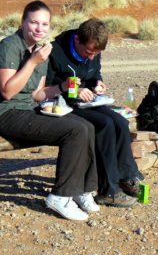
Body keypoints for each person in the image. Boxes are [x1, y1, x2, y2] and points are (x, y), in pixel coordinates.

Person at [0, 0, 99, 221]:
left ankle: (83, 188)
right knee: (75, 131)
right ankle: (60, 196)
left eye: (44, 24)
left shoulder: (40, 51)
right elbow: (7, 92)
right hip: (4, 113)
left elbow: (37, 94)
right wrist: (33, 62)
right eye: (34, 22)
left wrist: (62, 87)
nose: (39, 29)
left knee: (85, 125)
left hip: (28, 109)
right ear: (22, 22)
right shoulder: (9, 46)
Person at [46, 18, 142, 208]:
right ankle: (108, 190)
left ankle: (127, 177)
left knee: (120, 123)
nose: (92, 57)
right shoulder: (55, 52)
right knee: (104, 125)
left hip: (88, 103)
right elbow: (47, 86)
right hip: (63, 105)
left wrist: (97, 84)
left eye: (96, 53)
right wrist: (74, 90)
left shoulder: (93, 49)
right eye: (89, 52)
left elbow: (94, 73)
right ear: (77, 40)